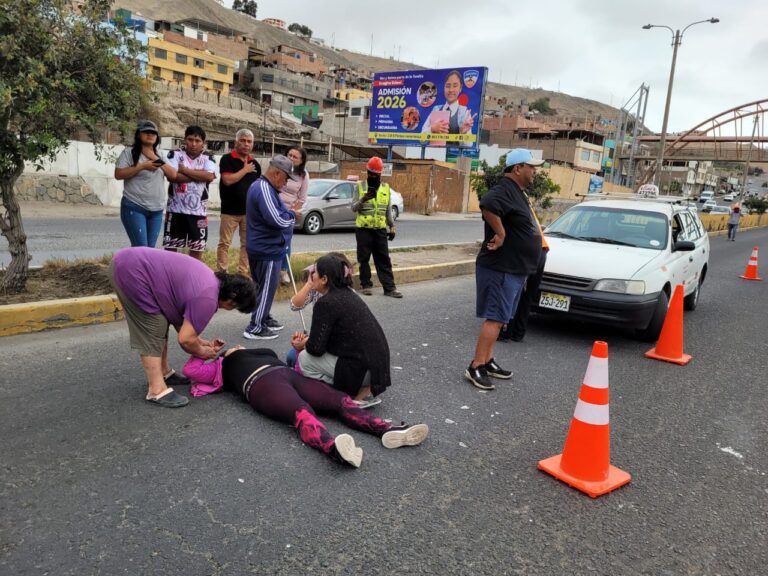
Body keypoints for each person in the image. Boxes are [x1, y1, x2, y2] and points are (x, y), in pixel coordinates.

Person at [182, 346, 429, 468]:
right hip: (259, 384)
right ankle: (334, 449)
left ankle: (386, 429)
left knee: (339, 401)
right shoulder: (220, 366)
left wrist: (297, 348)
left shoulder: (261, 351)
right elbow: (190, 370)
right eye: (232, 348)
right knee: (301, 412)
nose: (236, 347)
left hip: (288, 375)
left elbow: (294, 360)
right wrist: (206, 351)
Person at [109, 247, 256, 408]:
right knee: (154, 326)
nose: (229, 309)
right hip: (132, 271)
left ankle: (164, 372)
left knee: (161, 322)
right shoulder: (207, 298)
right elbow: (185, 339)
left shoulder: (212, 282)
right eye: (234, 307)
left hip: (132, 262)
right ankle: (156, 389)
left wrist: (199, 342)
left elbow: (181, 321)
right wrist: (201, 351)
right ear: (232, 298)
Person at [465, 149, 544, 390]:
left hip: (514, 267)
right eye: (531, 167)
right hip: (501, 267)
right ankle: (476, 366)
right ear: (517, 168)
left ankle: (488, 361)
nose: (534, 171)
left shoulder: (517, 192)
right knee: (496, 317)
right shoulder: (504, 188)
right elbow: (487, 204)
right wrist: (500, 233)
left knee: (501, 319)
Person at [289, 254, 392, 408]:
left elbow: (315, 349)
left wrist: (302, 344)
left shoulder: (325, 303)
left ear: (324, 279)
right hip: (377, 369)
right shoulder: (349, 294)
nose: (311, 275)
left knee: (303, 359)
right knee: (302, 354)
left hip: (362, 371)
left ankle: (345, 395)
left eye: (314, 272)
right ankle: (361, 389)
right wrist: (308, 341)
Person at [243, 155, 301, 340]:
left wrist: (288, 212)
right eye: (285, 178)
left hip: (263, 247)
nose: (285, 184)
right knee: (267, 287)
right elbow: (276, 219)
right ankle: (255, 326)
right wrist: (292, 217)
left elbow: (277, 213)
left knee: (263, 286)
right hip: (266, 249)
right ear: (277, 173)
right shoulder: (263, 188)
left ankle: (264, 316)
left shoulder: (264, 188)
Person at [114, 120, 177, 247]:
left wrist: (153, 156)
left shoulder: (160, 155)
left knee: (150, 249)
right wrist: (142, 166)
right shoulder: (129, 152)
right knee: (141, 248)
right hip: (135, 205)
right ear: (139, 134)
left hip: (156, 210)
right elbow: (118, 174)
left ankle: (138, 267)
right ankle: (133, 267)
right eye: (146, 132)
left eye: (153, 133)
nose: (150, 134)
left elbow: (173, 175)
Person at [163, 125, 219, 260]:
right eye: (190, 139)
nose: (193, 144)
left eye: (198, 141)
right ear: (184, 140)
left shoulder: (208, 158)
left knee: (196, 250)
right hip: (175, 211)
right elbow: (172, 177)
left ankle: (191, 277)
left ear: (203, 143)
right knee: (170, 250)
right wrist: (198, 175)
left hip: (198, 213)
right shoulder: (175, 154)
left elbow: (209, 177)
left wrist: (185, 171)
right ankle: (171, 276)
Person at [351, 157, 402, 298]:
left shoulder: (386, 188)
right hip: (364, 229)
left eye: (375, 174)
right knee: (364, 259)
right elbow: (353, 208)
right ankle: (366, 284)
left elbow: (387, 210)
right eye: (370, 173)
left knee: (384, 259)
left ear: (380, 174)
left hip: (380, 229)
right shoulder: (360, 186)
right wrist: (363, 199)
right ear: (367, 172)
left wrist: (392, 226)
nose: (372, 176)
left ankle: (390, 288)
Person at [498, 206, 550, 343]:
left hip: (528, 251)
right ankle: (518, 333)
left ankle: (506, 332)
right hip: (541, 250)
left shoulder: (512, 207)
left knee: (515, 291)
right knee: (528, 295)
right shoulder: (526, 207)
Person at [217, 128, 261, 277]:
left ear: (253, 144)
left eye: (249, 141)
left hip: (249, 212)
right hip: (229, 211)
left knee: (247, 245)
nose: (246, 144)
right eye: (242, 140)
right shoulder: (227, 159)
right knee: (224, 244)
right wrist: (245, 170)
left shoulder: (255, 164)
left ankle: (242, 274)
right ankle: (222, 273)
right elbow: (227, 180)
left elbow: (258, 188)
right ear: (236, 142)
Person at [278, 147, 309, 285]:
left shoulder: (303, 175)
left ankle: (283, 270)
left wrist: (290, 211)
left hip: (289, 211)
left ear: (301, 161)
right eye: (289, 155)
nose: (291, 158)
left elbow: (302, 199)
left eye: (295, 157)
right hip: (273, 206)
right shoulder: (279, 167)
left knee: (286, 241)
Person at [421, 70, 476, 137]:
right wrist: (432, 129)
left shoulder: (464, 113)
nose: (451, 90)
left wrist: (463, 133)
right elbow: (422, 138)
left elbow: (469, 145)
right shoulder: (436, 110)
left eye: (455, 86)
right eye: (448, 86)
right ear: (444, 87)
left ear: (460, 88)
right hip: (435, 148)